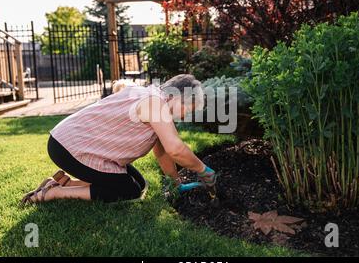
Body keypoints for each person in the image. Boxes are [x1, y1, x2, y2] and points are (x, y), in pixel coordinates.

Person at [21, 74, 216, 204]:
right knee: (128, 191)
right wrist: (203, 169)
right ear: (177, 96)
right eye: (186, 110)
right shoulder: (155, 103)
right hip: (71, 149)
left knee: (139, 185)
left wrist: (176, 183)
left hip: (70, 144)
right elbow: (176, 149)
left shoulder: (154, 98)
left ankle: (63, 183)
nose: (183, 117)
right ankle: (54, 194)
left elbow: (163, 151)